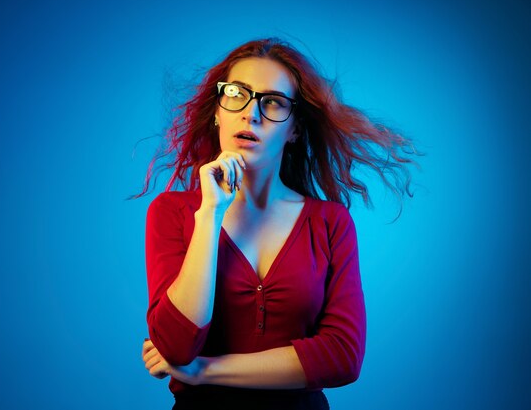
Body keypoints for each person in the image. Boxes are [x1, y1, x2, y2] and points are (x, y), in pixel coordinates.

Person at [138, 38, 417, 410]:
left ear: (295, 129)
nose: (250, 114)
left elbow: (343, 356)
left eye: (272, 102)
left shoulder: (330, 222)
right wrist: (210, 214)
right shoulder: (172, 212)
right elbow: (176, 344)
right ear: (218, 111)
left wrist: (205, 370)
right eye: (236, 94)